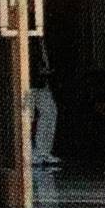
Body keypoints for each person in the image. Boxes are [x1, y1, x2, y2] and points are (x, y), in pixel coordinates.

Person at [29, 34, 59, 167]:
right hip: (28, 81)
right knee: (27, 116)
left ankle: (43, 152)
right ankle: (29, 153)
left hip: (41, 81)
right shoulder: (29, 34)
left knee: (50, 112)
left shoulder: (43, 36)